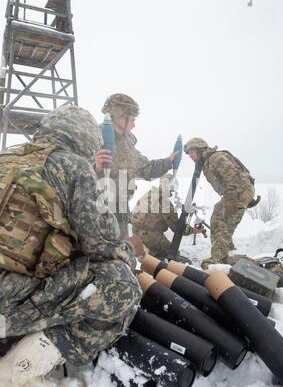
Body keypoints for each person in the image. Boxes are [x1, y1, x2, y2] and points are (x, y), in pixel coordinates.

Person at [0, 105, 142, 387]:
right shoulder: (71, 167)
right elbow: (105, 247)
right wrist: (128, 256)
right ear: (83, 140)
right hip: (5, 307)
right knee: (118, 283)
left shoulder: (6, 157)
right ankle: (12, 378)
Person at [95, 93, 177, 238]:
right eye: (132, 119)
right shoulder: (94, 136)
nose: (134, 125)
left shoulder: (128, 145)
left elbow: (145, 168)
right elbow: (74, 171)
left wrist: (168, 162)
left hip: (121, 210)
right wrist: (95, 167)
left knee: (121, 251)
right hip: (97, 210)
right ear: (121, 117)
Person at [184, 137, 258, 268]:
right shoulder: (208, 162)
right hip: (238, 192)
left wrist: (233, 198)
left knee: (219, 220)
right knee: (222, 218)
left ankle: (219, 257)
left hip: (236, 191)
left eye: (191, 152)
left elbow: (233, 175)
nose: (190, 156)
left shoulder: (216, 158)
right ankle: (227, 249)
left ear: (199, 149)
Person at [131, 174, 197, 263]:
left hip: (136, 232)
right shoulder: (164, 203)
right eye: (173, 189)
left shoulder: (150, 194)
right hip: (150, 235)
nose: (173, 192)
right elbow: (177, 228)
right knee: (173, 255)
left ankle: (153, 255)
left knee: (158, 253)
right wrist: (193, 230)